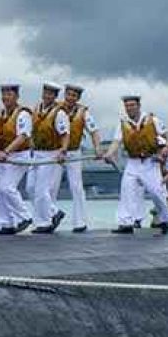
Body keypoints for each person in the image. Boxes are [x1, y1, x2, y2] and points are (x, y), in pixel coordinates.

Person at [106, 95, 168, 234]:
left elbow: (167, 135)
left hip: (150, 161)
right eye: (127, 106)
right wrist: (110, 153)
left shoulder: (153, 120)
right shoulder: (123, 123)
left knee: (156, 192)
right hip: (133, 162)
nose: (129, 108)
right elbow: (116, 142)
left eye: (132, 105)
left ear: (139, 106)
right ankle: (125, 223)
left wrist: (166, 147)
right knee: (127, 190)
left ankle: (165, 219)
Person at [57, 84, 102, 233]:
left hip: (74, 153)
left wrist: (97, 148)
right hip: (55, 153)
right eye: (68, 94)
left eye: (74, 96)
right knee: (49, 187)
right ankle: (48, 219)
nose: (70, 98)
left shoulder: (84, 113)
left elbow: (94, 131)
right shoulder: (56, 109)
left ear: (78, 98)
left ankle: (80, 222)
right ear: (65, 95)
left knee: (76, 187)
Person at [0, 83, 34, 235]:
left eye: (9, 94)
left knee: (7, 187)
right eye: (4, 94)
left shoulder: (23, 114)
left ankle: (25, 216)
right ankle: (6, 223)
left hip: (19, 156)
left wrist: (6, 152)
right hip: (1, 156)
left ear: (16, 96)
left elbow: (23, 136)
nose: (5, 97)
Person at [28, 83, 70, 234]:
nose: (47, 96)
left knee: (41, 189)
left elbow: (65, 134)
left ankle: (45, 221)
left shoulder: (59, 113)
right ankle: (52, 213)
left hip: (50, 153)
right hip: (36, 153)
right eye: (45, 93)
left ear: (55, 96)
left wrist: (63, 150)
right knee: (30, 187)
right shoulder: (37, 108)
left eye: (51, 94)